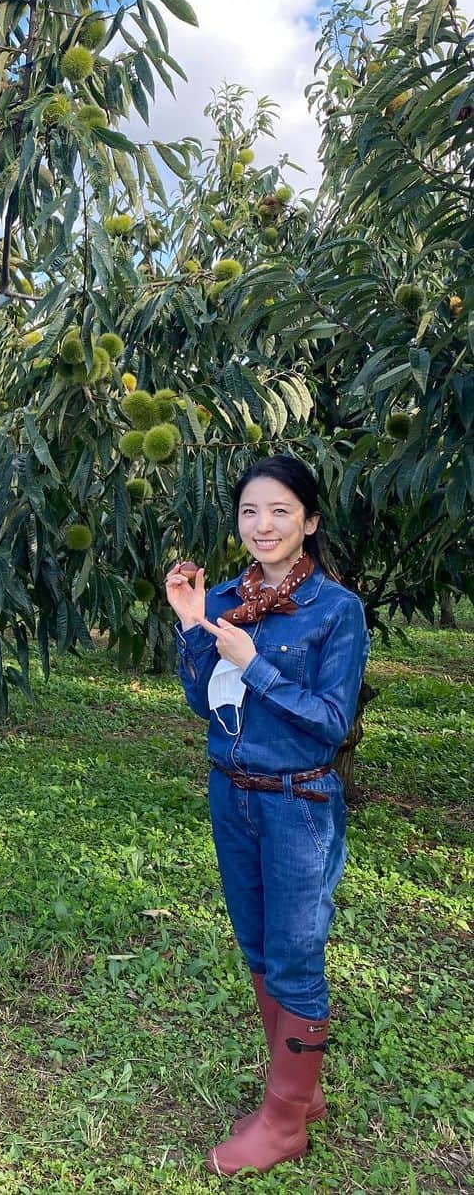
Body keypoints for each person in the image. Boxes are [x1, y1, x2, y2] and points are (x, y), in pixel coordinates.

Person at [164, 455, 368, 1177]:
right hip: (233, 793)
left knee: (295, 954)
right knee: (256, 946)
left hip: (299, 804)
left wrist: (256, 664)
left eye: (281, 510)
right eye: (251, 511)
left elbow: (331, 723)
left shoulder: (337, 611)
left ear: (309, 522)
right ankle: (299, 1094)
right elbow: (204, 706)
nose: (263, 525)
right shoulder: (225, 596)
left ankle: (284, 1123)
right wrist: (193, 624)